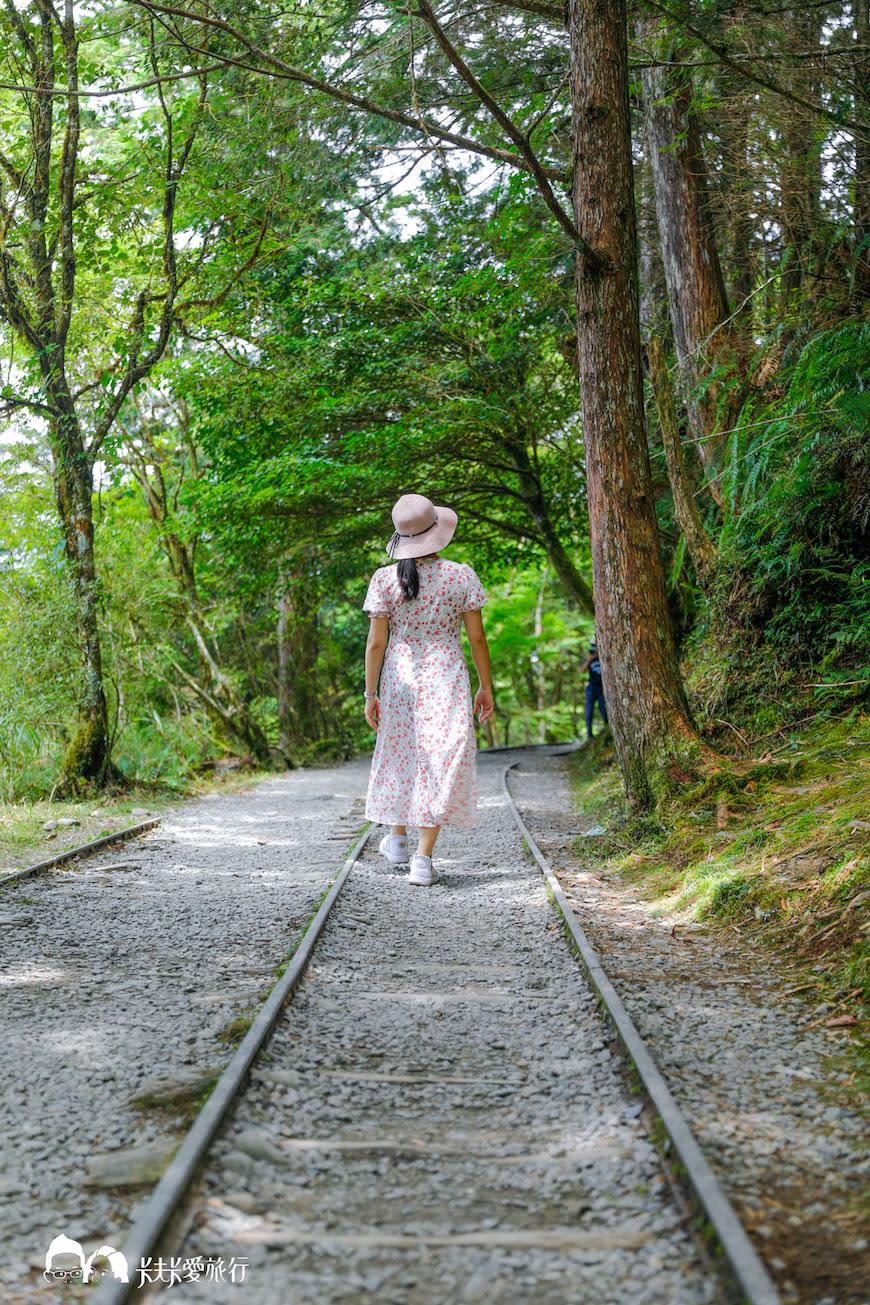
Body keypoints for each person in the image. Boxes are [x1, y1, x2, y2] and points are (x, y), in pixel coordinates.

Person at [362, 493, 494, 887]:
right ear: (437, 530)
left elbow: (375, 645)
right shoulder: (461, 575)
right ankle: (421, 858)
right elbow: (477, 638)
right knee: (438, 758)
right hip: (446, 676)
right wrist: (485, 686)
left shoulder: (384, 579)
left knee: (400, 751)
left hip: (400, 677)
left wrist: (371, 694)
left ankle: (397, 839)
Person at [580, 637, 608, 741]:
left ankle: (607, 727)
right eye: (592, 646)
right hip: (591, 688)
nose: (593, 648)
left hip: (602, 688)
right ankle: (589, 734)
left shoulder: (603, 657)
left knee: (603, 709)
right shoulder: (588, 658)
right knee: (589, 711)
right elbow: (582, 670)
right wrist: (588, 660)